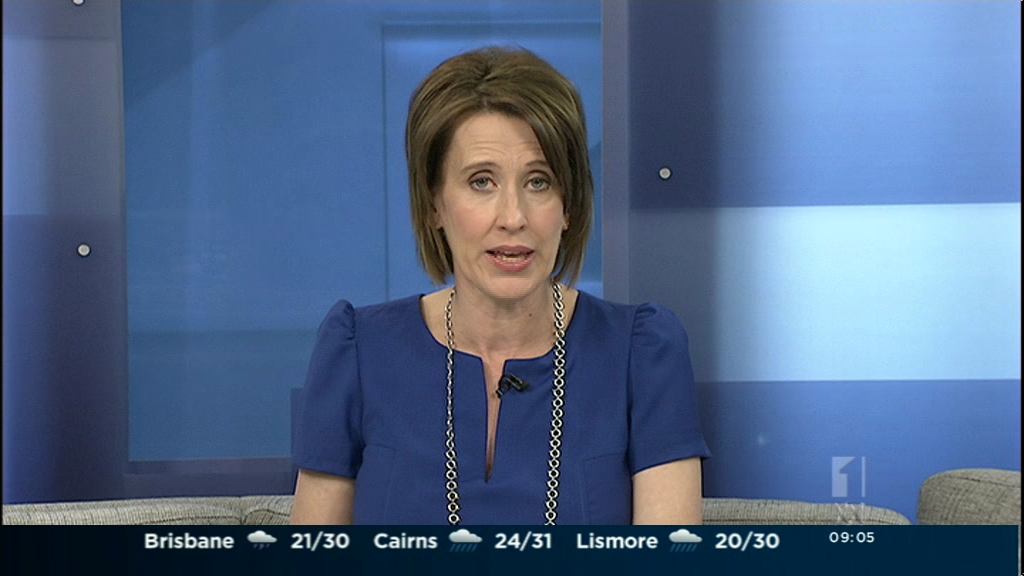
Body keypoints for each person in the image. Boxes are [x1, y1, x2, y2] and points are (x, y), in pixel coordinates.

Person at [291, 46, 710, 525]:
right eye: (481, 182)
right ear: (434, 204)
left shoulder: (643, 353)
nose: (513, 217)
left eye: (539, 182)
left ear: (569, 206)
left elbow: (665, 556)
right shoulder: (358, 351)